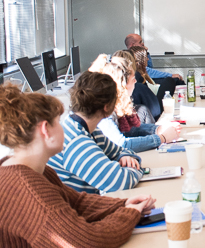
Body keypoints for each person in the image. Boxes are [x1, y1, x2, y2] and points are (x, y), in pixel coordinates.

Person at [0, 83, 156, 247]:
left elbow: (77, 203)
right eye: (58, 122)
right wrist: (129, 214)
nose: (64, 128)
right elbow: (87, 241)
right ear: (45, 130)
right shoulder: (28, 190)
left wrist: (122, 204)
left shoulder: (28, 170)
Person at [48, 71, 145, 194]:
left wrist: (125, 157)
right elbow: (118, 182)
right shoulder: (77, 141)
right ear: (107, 107)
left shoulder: (87, 129)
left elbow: (120, 151)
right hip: (76, 210)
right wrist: (136, 168)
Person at [89, 54, 180, 153]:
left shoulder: (113, 104)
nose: (136, 81)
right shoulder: (104, 111)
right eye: (133, 79)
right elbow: (122, 144)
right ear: (122, 84)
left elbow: (129, 130)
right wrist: (162, 138)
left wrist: (158, 129)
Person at [130, 46, 177, 113]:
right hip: (153, 106)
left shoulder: (143, 74)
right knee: (170, 81)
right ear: (141, 60)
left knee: (172, 81)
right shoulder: (138, 76)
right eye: (146, 57)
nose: (148, 59)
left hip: (154, 100)